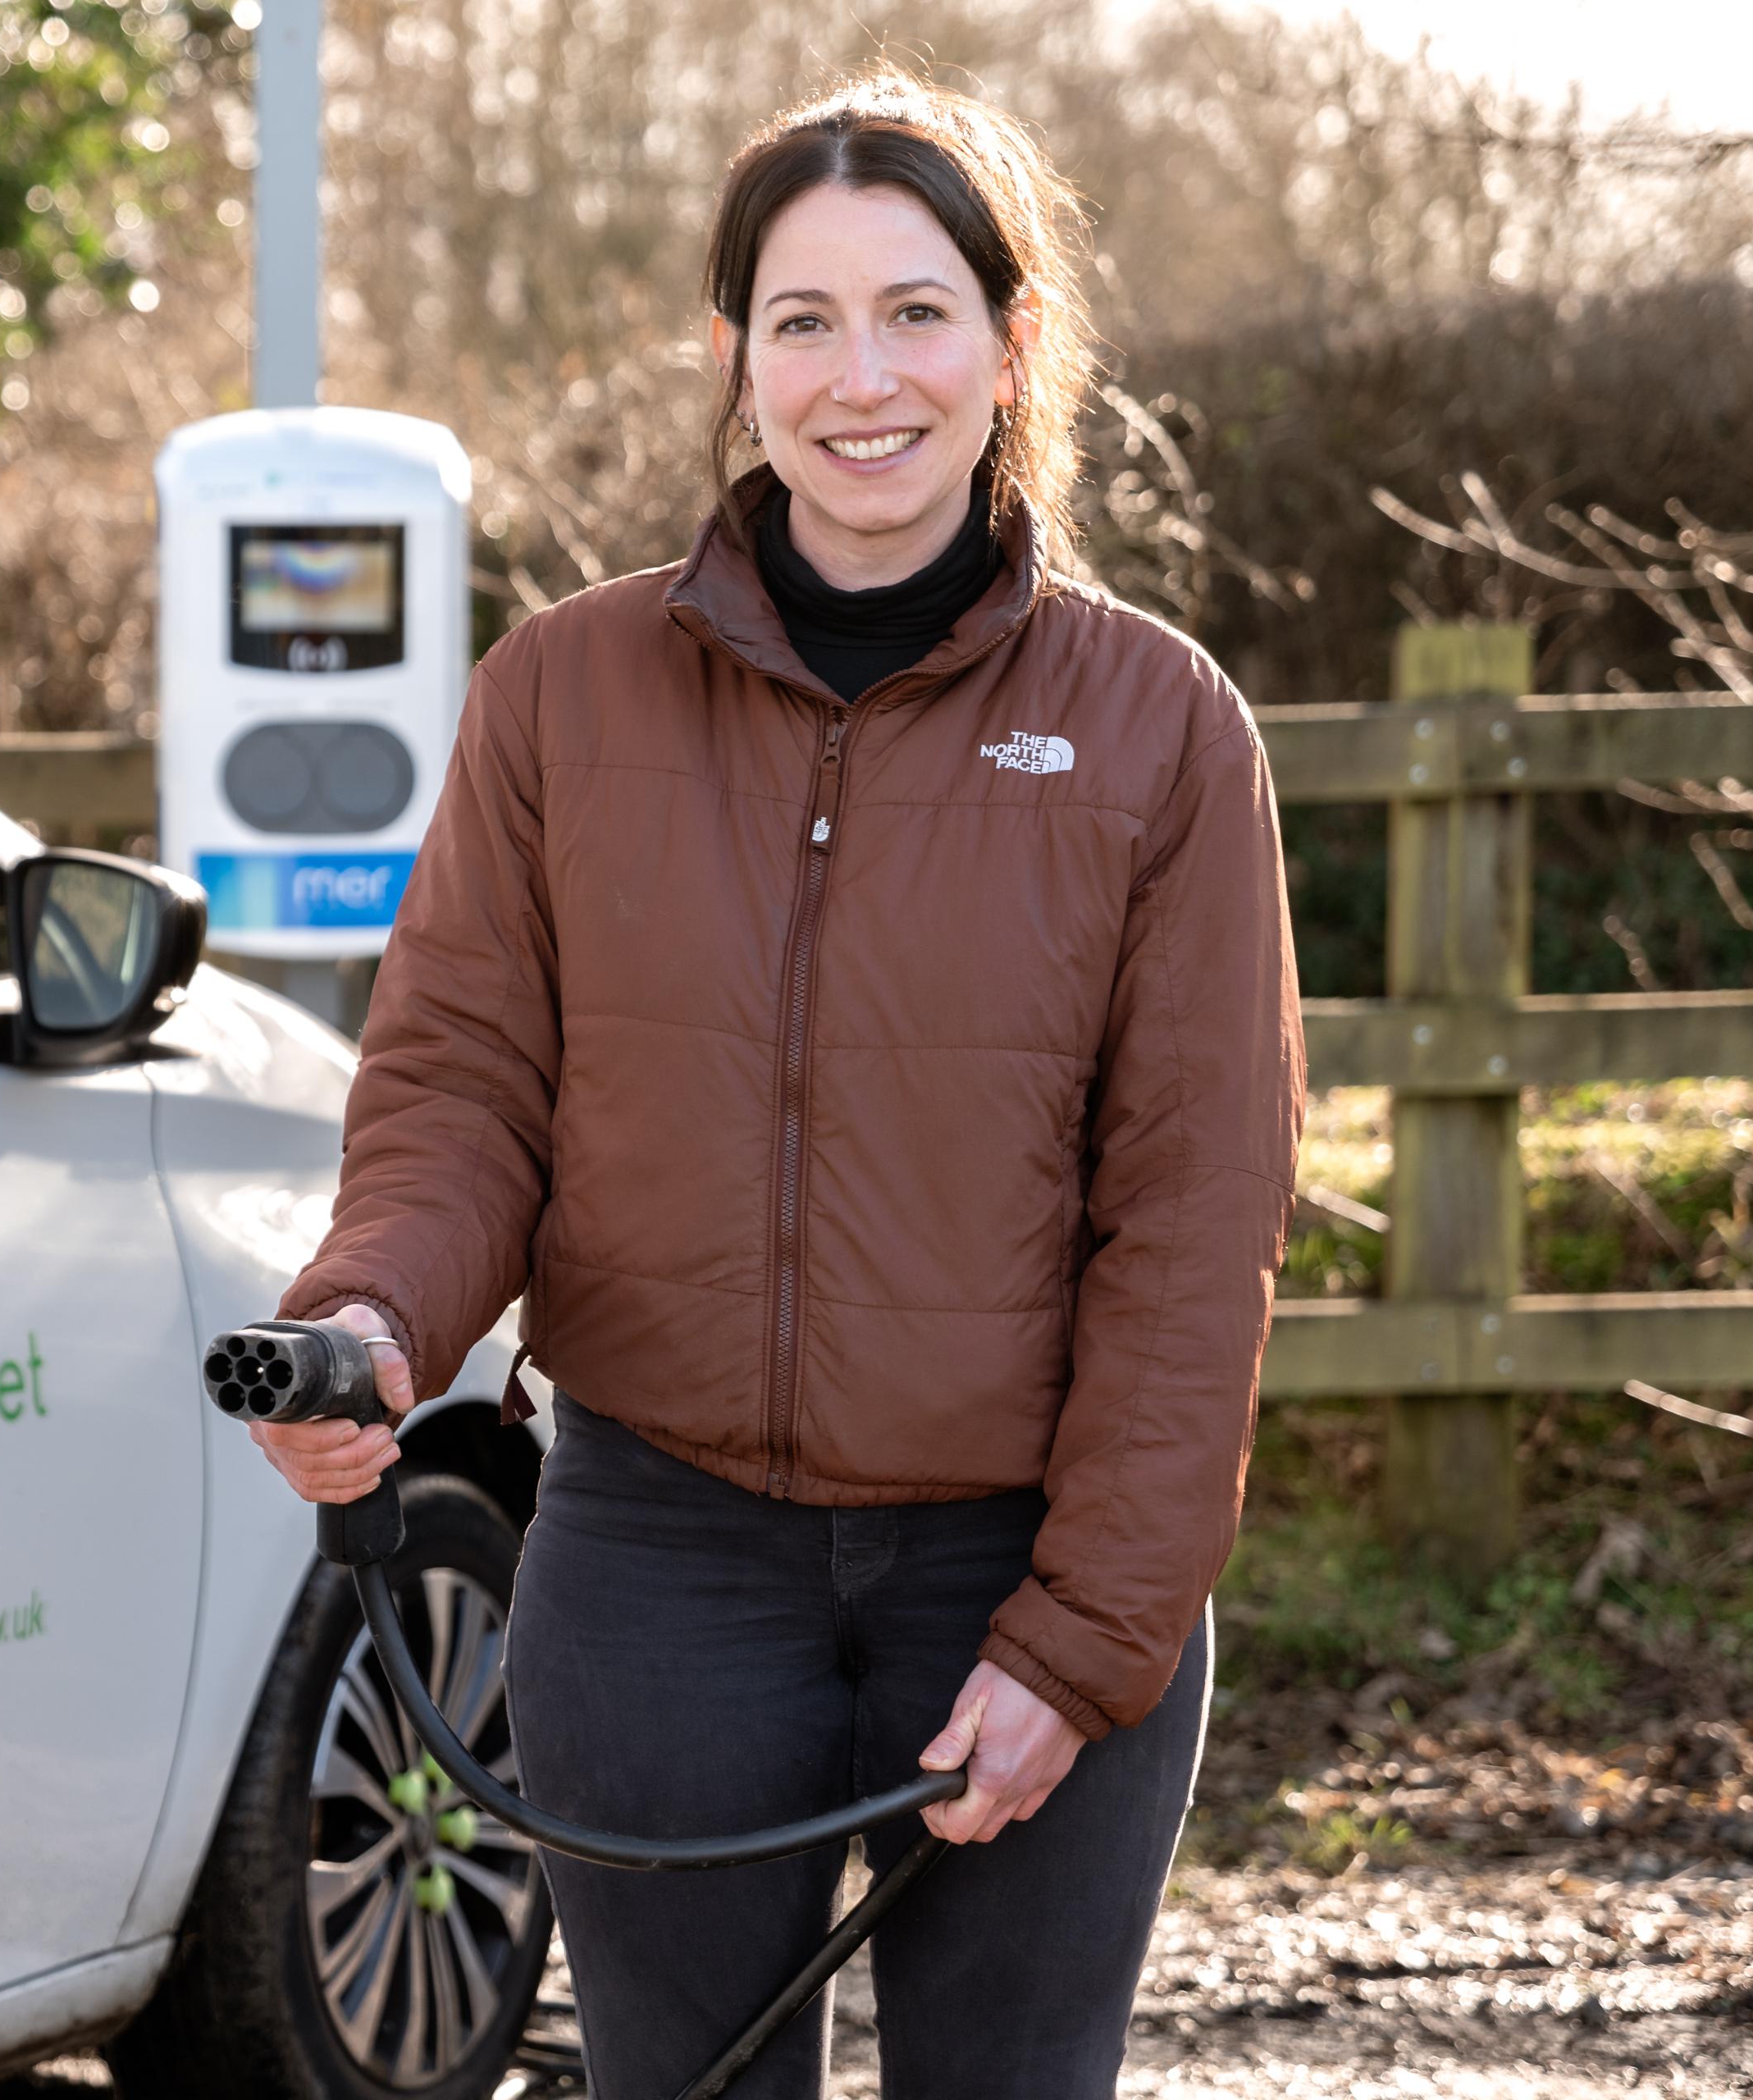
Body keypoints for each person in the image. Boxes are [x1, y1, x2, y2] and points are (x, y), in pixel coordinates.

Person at [253, 69, 1306, 2100]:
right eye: (802, 320)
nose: (862, 377)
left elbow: (1196, 1224)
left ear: (1012, 345)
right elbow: (462, 1082)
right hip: (657, 1556)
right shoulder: (561, 692)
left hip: (1020, 1563)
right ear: (734, 357)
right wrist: (374, 1315)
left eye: (916, 311)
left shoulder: (1161, 728)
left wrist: (1081, 1636)